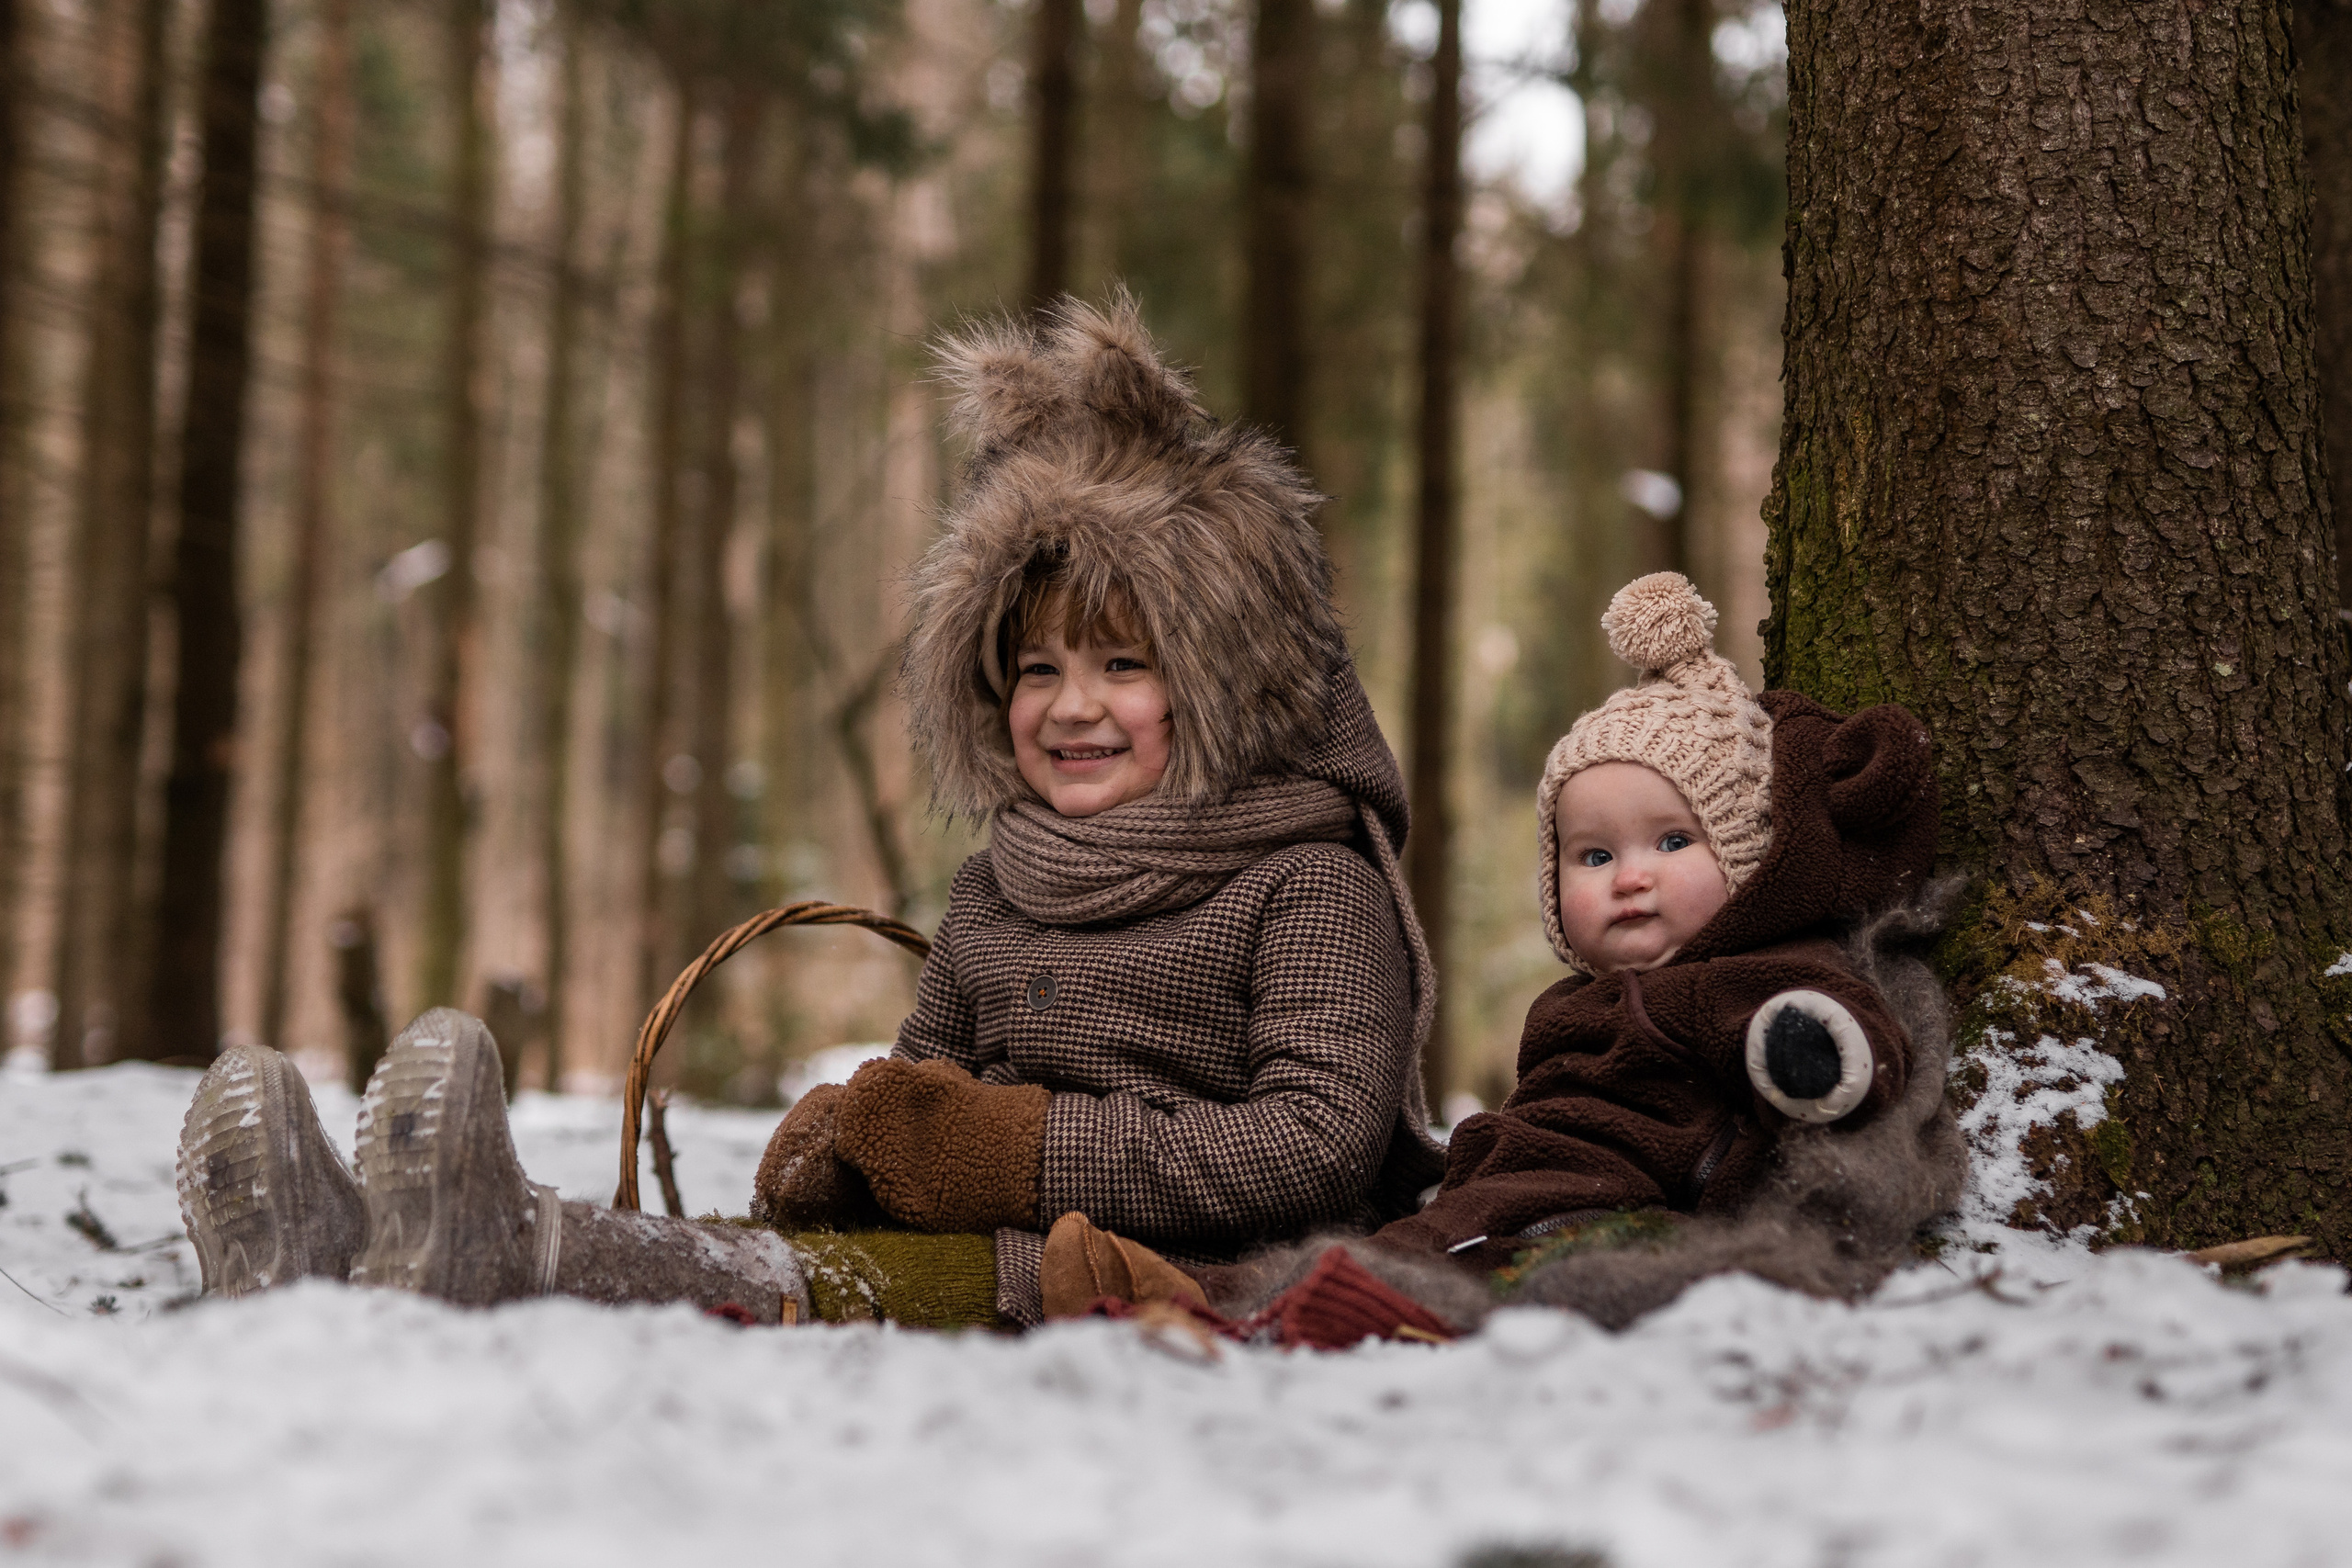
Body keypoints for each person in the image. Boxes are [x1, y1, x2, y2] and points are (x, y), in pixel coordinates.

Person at [173, 295, 1445, 1327]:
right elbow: (931, 1088)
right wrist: (848, 1138)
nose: (1072, 706)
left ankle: (493, 1246)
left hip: (1144, 1278)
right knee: (742, 1255)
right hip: (972, 1254)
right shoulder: (1002, 881)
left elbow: (1314, 1144)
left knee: (754, 1291)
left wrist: (1014, 1150)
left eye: (1126, 665)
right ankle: (336, 1240)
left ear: (1226, 679)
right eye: (1038, 667)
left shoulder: (1307, 877)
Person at [1044, 570, 1957, 1337]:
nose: (1629, 878)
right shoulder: (1575, 1000)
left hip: (1611, 1204)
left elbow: (1855, 1039)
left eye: (1672, 844)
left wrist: (1808, 1051)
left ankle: (1298, 1313)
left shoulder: (1753, 976)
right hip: (1510, 1186)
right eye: (1593, 857)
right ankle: (1204, 1302)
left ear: (1748, 860)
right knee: (1420, 1237)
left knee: (1465, 1261)